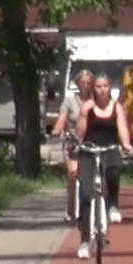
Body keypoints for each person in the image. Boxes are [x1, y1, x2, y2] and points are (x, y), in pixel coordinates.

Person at [74, 73, 133, 259]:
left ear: (110, 87)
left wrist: (126, 143)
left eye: (105, 86)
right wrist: (84, 114)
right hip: (89, 150)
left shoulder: (116, 107)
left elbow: (122, 128)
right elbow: (79, 133)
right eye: (98, 86)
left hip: (109, 148)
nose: (102, 90)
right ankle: (84, 241)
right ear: (94, 89)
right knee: (86, 193)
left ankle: (112, 206)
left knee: (113, 170)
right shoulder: (87, 107)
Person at [51, 69, 94, 222]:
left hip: (92, 141)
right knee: (73, 175)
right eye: (83, 83)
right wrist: (57, 130)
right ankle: (70, 210)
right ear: (77, 84)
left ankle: (99, 209)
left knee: (96, 176)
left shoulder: (96, 100)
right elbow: (62, 119)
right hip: (74, 142)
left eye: (89, 83)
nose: (86, 86)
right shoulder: (70, 101)